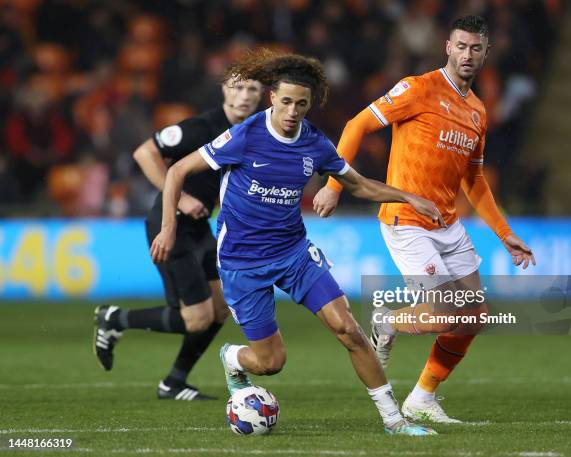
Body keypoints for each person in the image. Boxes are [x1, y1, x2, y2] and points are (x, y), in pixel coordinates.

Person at [150, 49, 441, 436]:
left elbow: (358, 184)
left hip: (294, 253)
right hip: (242, 262)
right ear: (272, 97)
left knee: (349, 330)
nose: (292, 112)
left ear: (309, 105)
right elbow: (178, 172)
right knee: (271, 363)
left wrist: (409, 197)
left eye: (301, 105)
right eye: (285, 102)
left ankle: (394, 420)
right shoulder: (246, 135)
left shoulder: (315, 144)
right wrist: (169, 227)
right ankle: (233, 357)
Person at [313, 15, 536, 423]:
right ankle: (388, 321)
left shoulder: (477, 111)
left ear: (486, 53)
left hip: (447, 224)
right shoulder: (418, 89)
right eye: (461, 46)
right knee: (443, 313)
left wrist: (505, 234)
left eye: (476, 48)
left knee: (473, 316)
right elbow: (356, 124)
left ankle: (422, 398)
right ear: (447, 47)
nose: (468, 55)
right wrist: (334, 184)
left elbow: (475, 179)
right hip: (406, 219)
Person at [93, 74, 264, 401]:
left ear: (262, 96)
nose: (244, 95)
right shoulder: (201, 127)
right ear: (225, 90)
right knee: (196, 318)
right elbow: (145, 153)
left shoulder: (252, 131)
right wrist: (183, 197)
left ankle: (174, 382)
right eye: (238, 87)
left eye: (252, 88)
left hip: (199, 228)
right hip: (169, 223)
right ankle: (114, 318)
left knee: (220, 307)